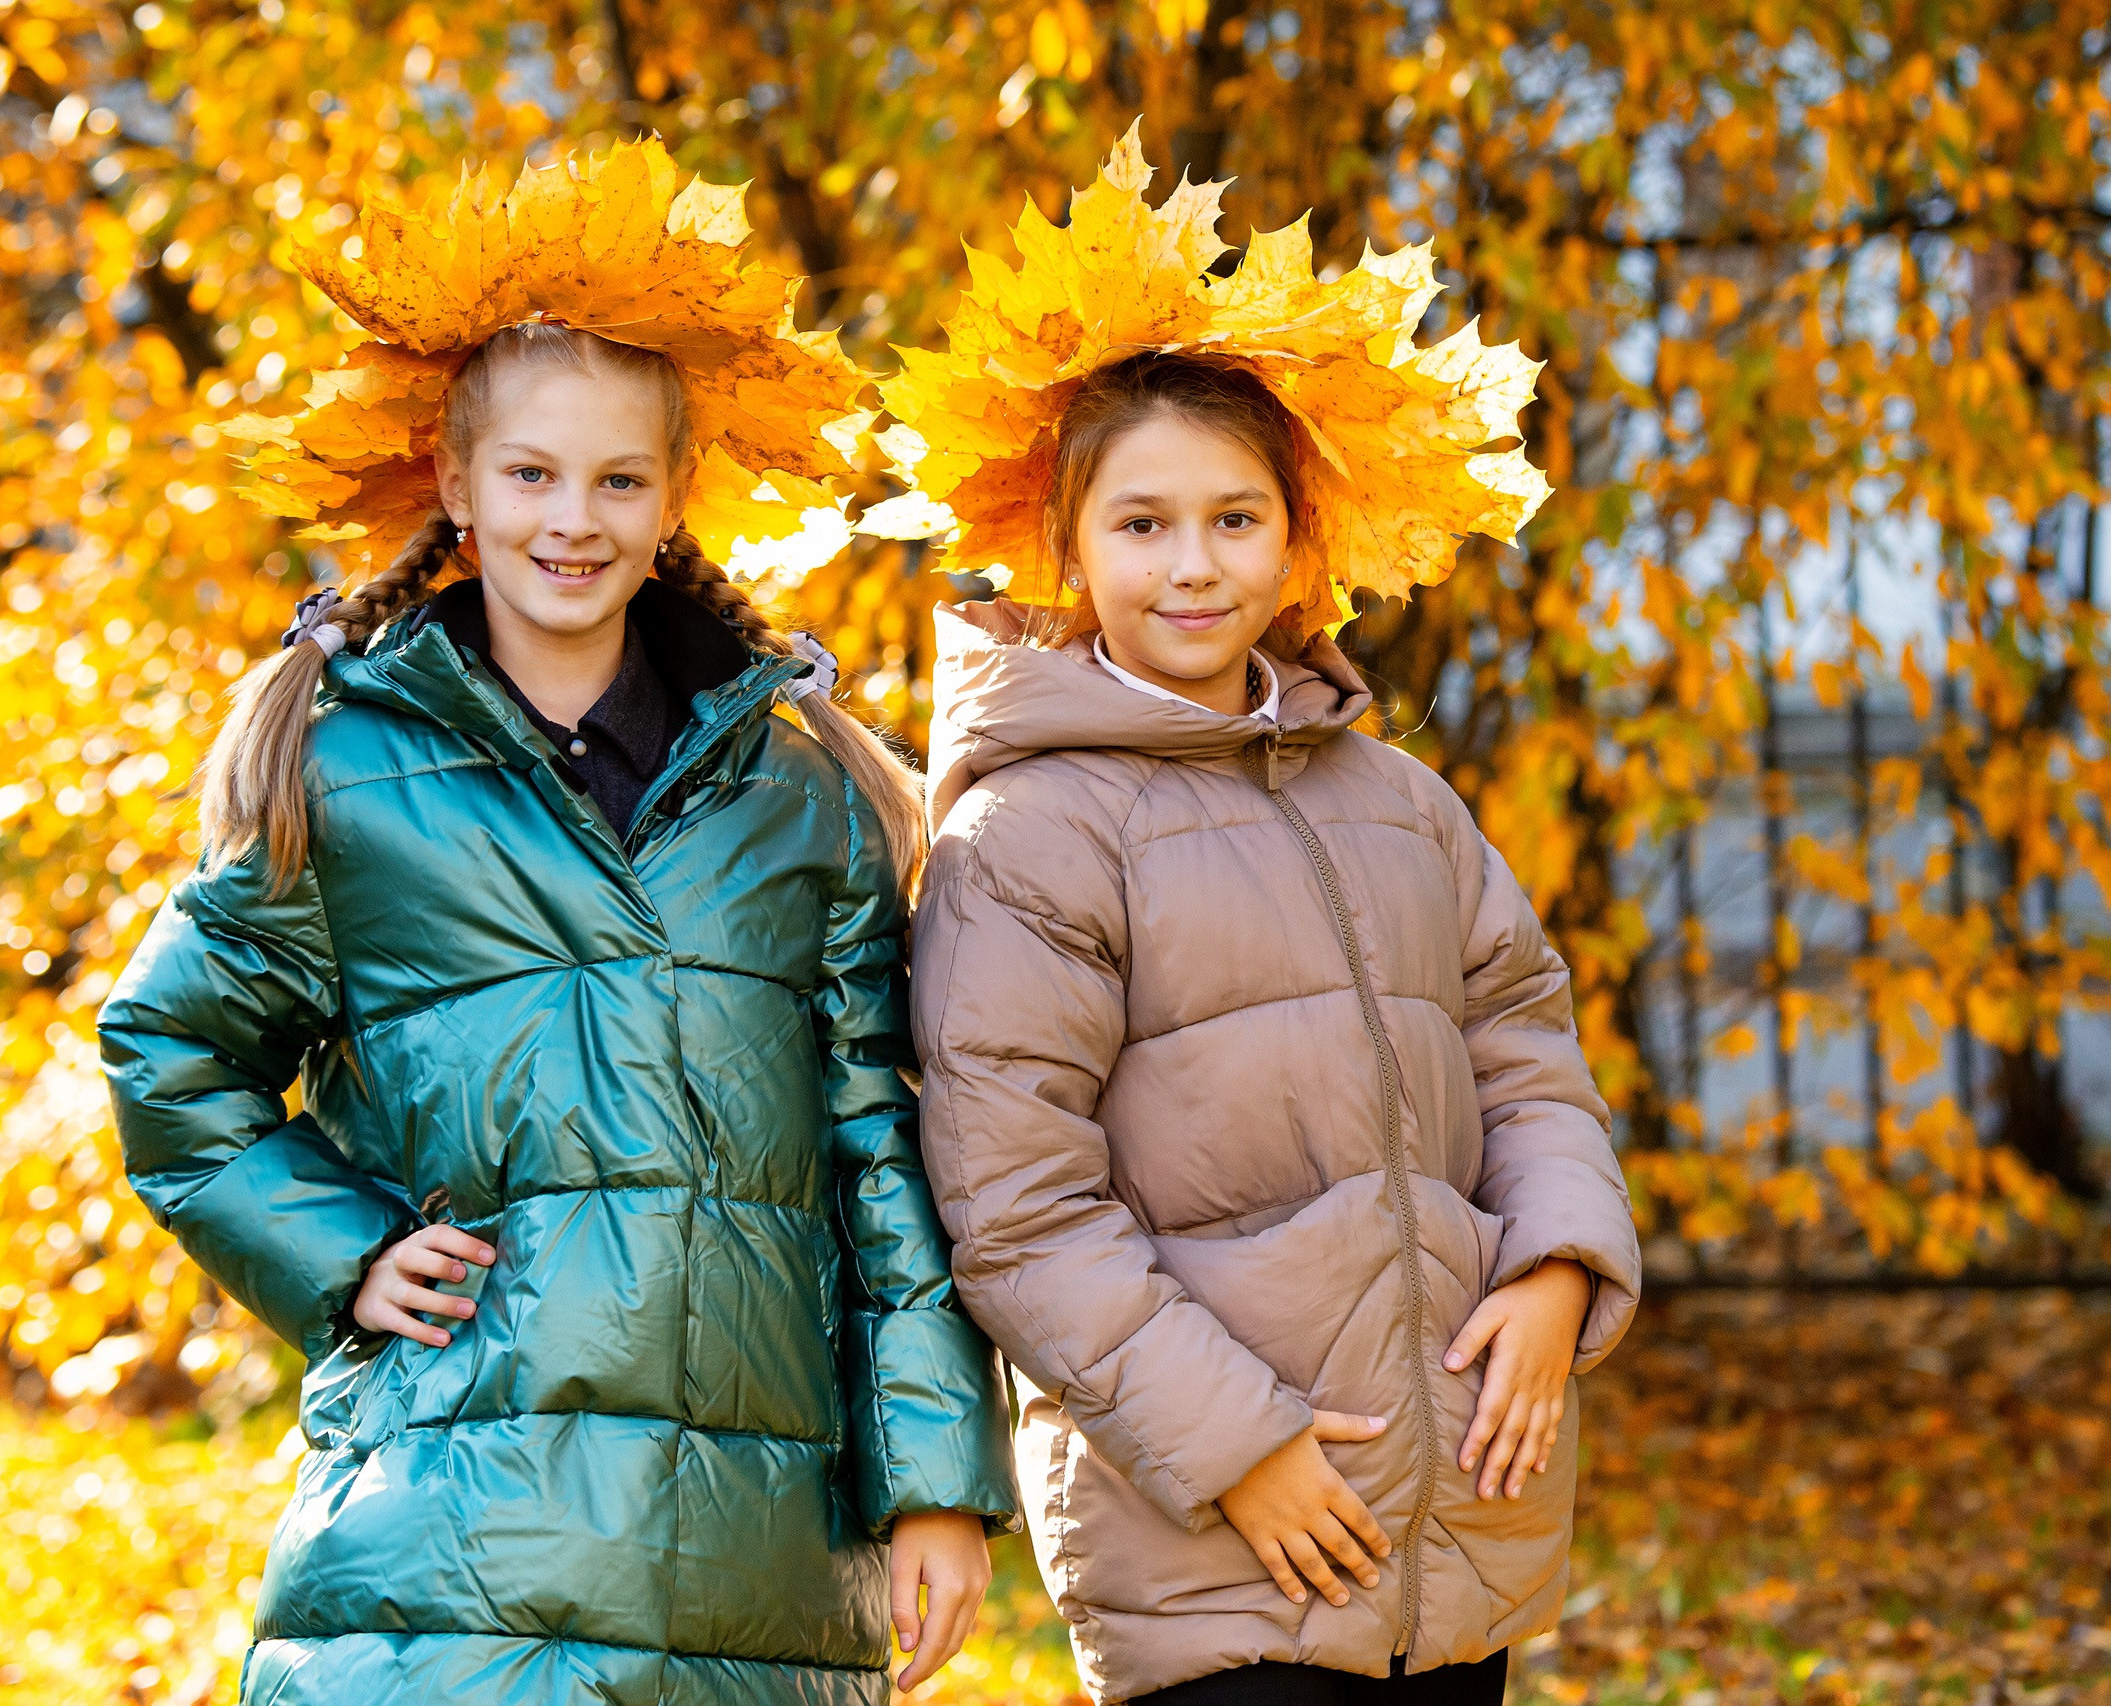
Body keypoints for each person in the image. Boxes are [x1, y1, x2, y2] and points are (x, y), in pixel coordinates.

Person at [98, 141, 1016, 1706]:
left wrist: (935, 1473)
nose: (570, 520)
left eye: (616, 479)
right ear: (456, 486)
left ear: (672, 500)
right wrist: (346, 1247)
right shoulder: (349, 764)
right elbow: (171, 1049)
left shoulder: (802, 800)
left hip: (758, 1560)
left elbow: (876, 1147)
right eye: (529, 473)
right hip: (455, 1539)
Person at [890, 135, 1642, 1706]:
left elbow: (1521, 1042)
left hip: (1450, 1518)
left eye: (1236, 519)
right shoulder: (1030, 833)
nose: (1192, 563)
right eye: (1143, 523)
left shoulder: (1396, 799)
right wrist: (1241, 1449)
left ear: (1299, 539)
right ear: (1067, 547)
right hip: (1221, 1538)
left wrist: (1560, 1263)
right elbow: (1021, 1211)